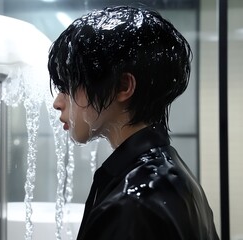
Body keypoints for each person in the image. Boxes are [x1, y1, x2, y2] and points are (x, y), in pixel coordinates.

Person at [48, 6, 219, 240]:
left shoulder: (131, 205)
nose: (58, 103)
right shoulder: (173, 174)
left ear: (122, 87)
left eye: (68, 86)